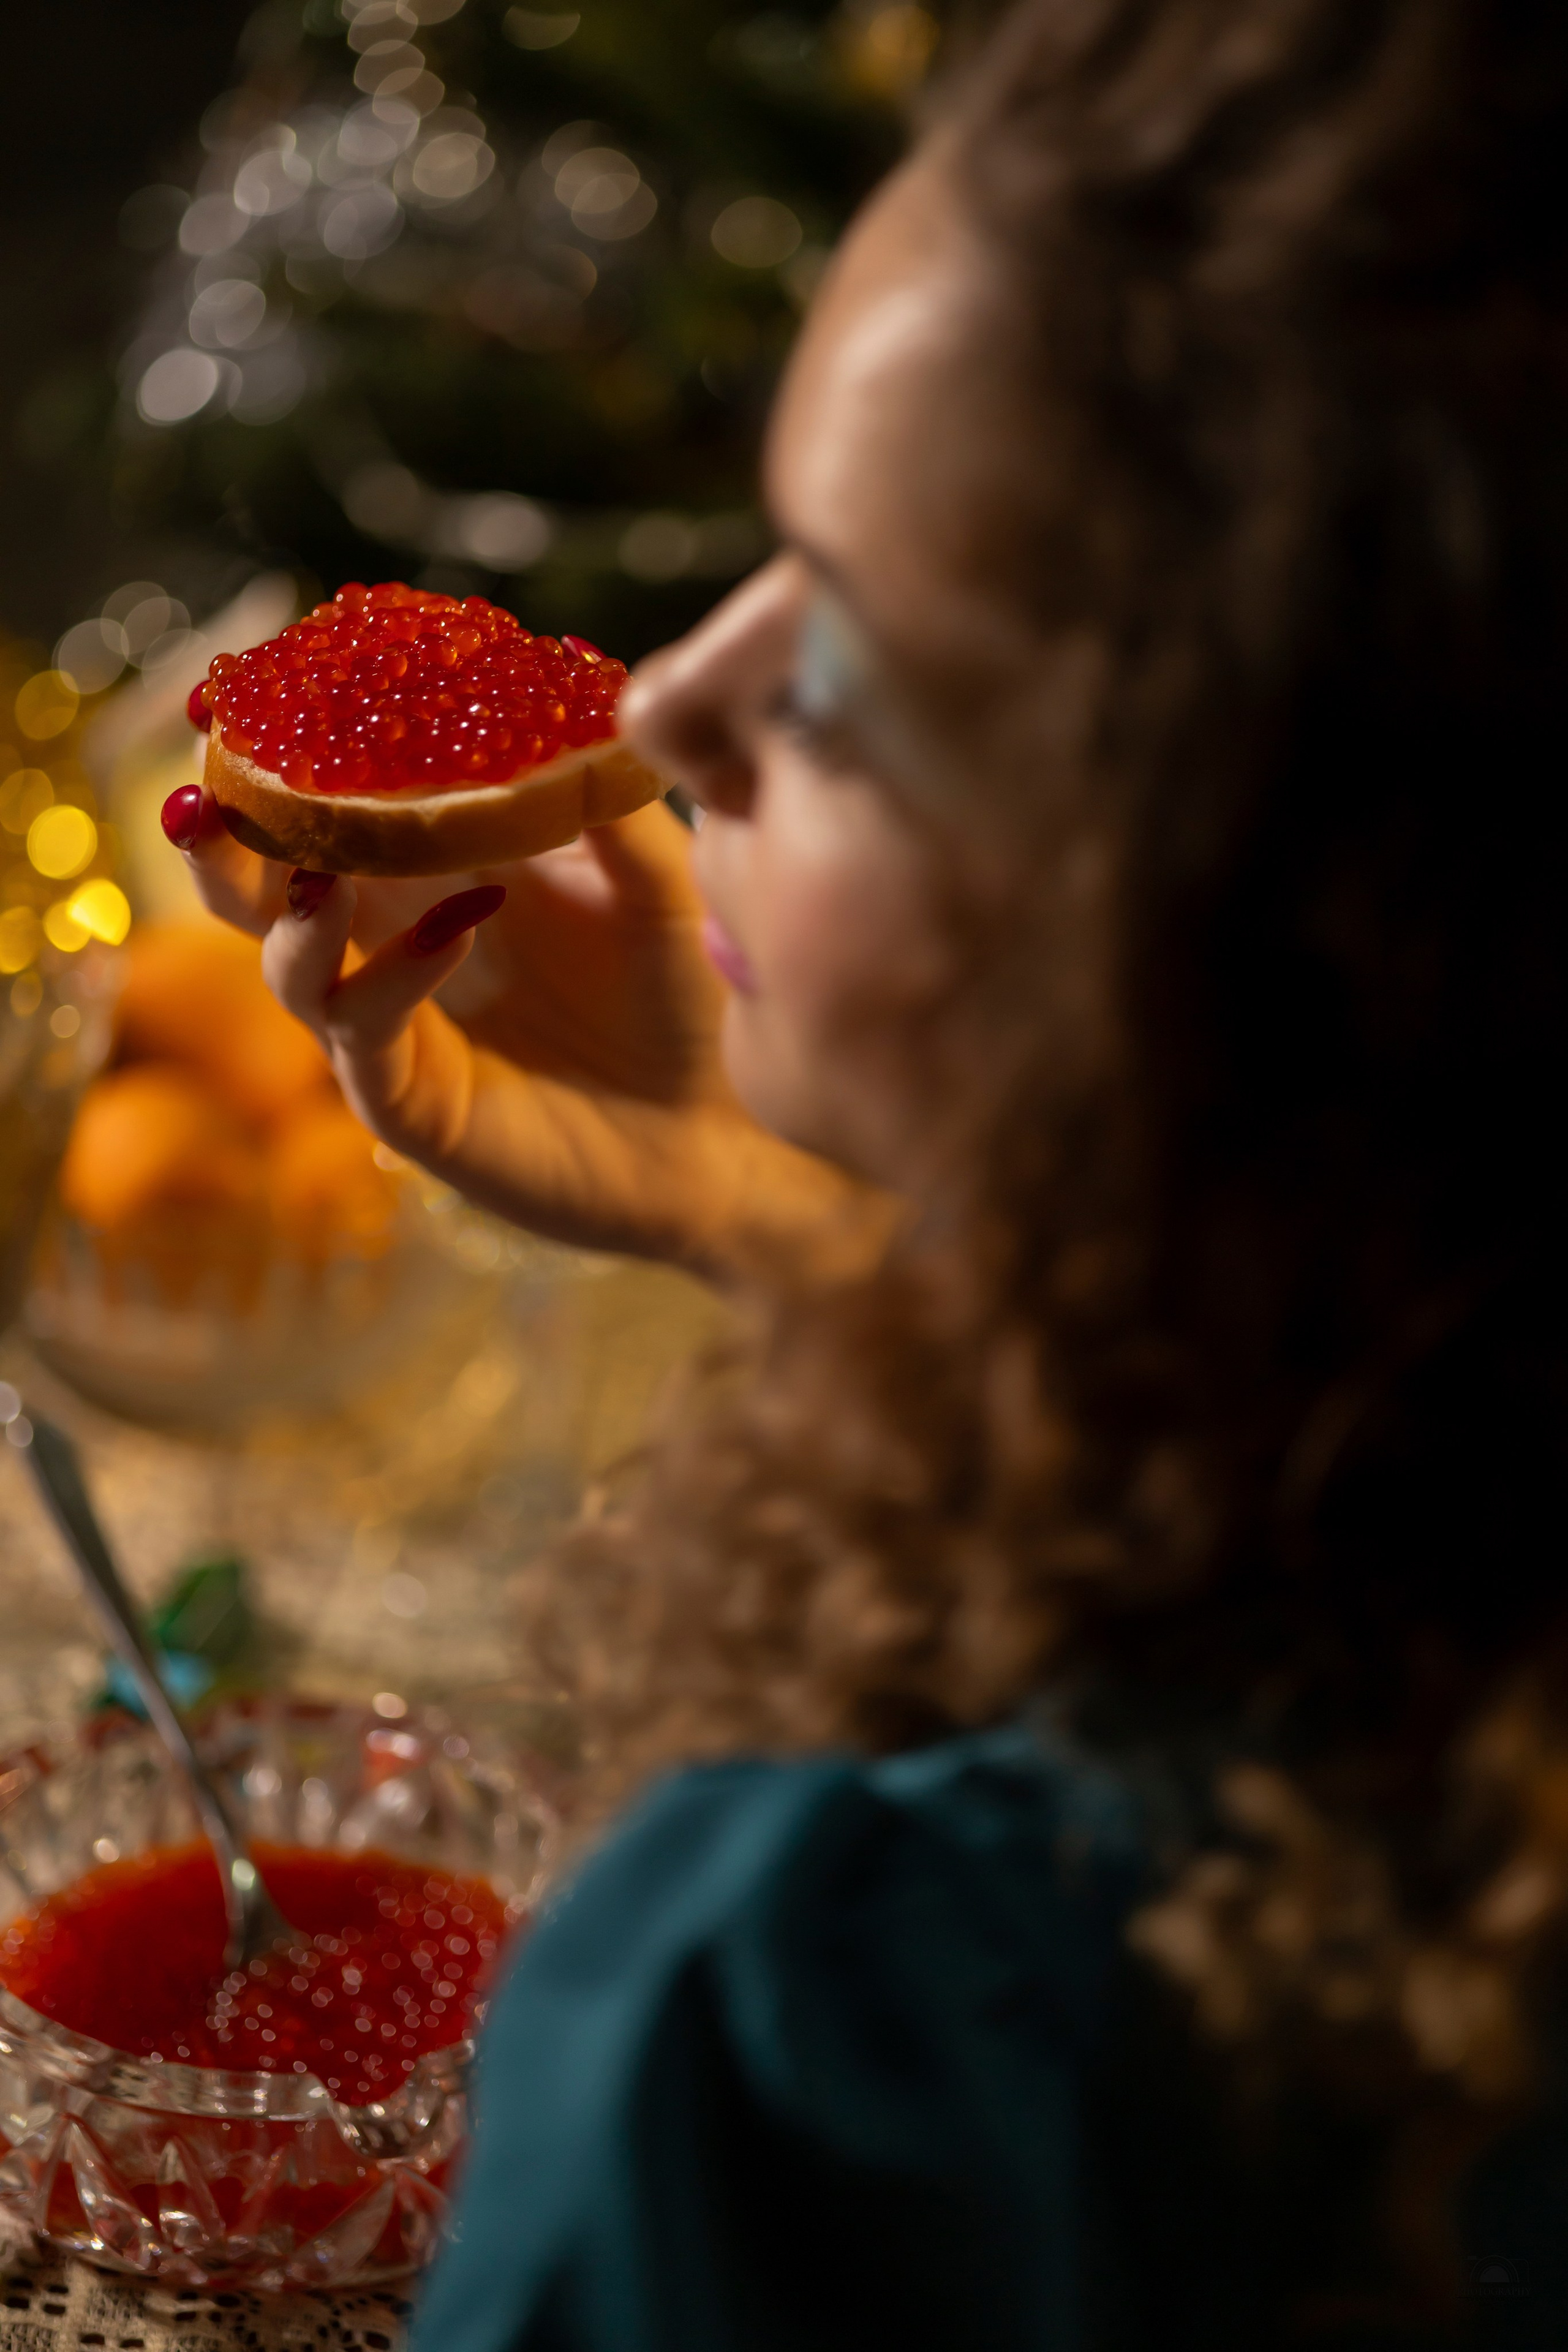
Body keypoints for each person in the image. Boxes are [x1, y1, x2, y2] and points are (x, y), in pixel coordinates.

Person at [172, 0, 1568, 2339]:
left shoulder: (800, 2001)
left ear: (1229, 926)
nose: (669, 704)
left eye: (842, 676)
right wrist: (770, 1202)